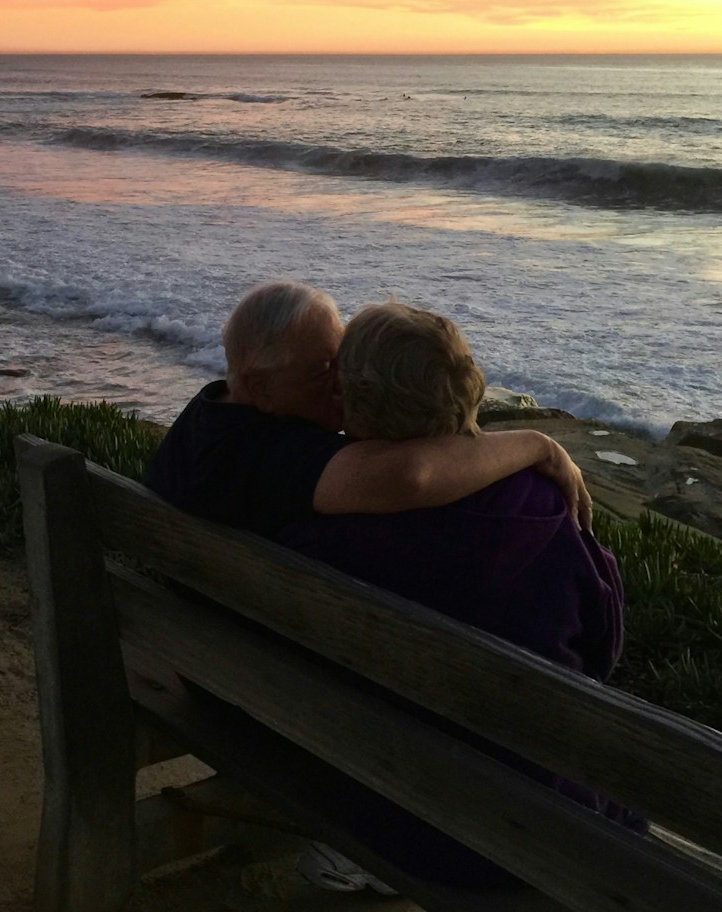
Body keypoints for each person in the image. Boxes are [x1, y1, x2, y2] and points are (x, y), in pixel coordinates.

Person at [276, 301, 641, 888]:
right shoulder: (546, 508)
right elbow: (604, 647)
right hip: (530, 826)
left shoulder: (320, 524)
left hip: (370, 802)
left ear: (355, 402)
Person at [144, 282, 592, 534]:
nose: (345, 381)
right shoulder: (279, 456)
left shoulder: (207, 414)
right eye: (325, 369)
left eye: (344, 360)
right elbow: (411, 476)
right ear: (260, 385)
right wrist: (540, 446)